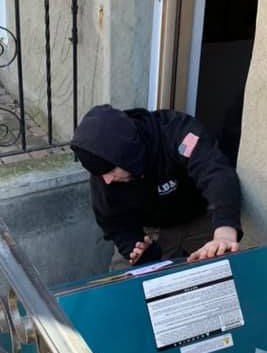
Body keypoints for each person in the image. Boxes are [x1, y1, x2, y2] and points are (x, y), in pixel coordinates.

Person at [71, 105, 242, 266]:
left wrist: (224, 233)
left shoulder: (177, 131)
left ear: (125, 154)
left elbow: (215, 172)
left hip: (202, 220)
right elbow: (113, 221)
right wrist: (137, 249)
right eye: (101, 174)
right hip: (151, 230)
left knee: (223, 273)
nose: (107, 180)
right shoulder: (103, 172)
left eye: (109, 171)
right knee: (124, 282)